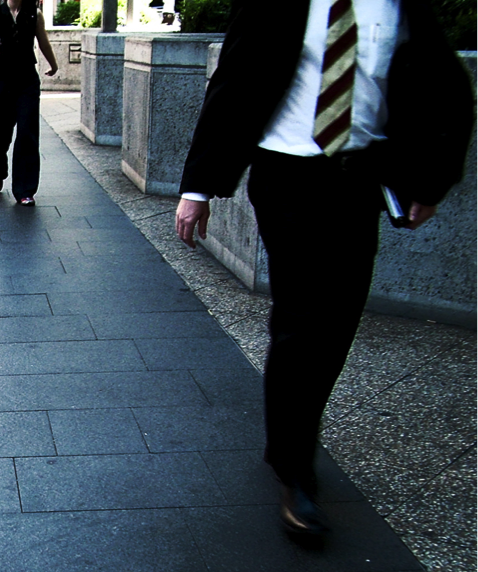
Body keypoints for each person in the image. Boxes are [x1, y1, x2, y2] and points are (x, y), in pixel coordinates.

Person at [175, 0, 473, 538]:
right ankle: (295, 472)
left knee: (337, 323)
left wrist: (430, 181)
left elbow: (445, 87)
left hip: (358, 179)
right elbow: (234, 84)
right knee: (302, 319)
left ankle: (287, 441)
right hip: (286, 176)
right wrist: (198, 189)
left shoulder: (398, 4)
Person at [0, 0, 58, 204]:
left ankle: (25, 190)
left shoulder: (34, 13)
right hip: (2, 80)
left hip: (26, 81)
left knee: (27, 133)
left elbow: (43, 41)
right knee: (2, 134)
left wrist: (53, 64)